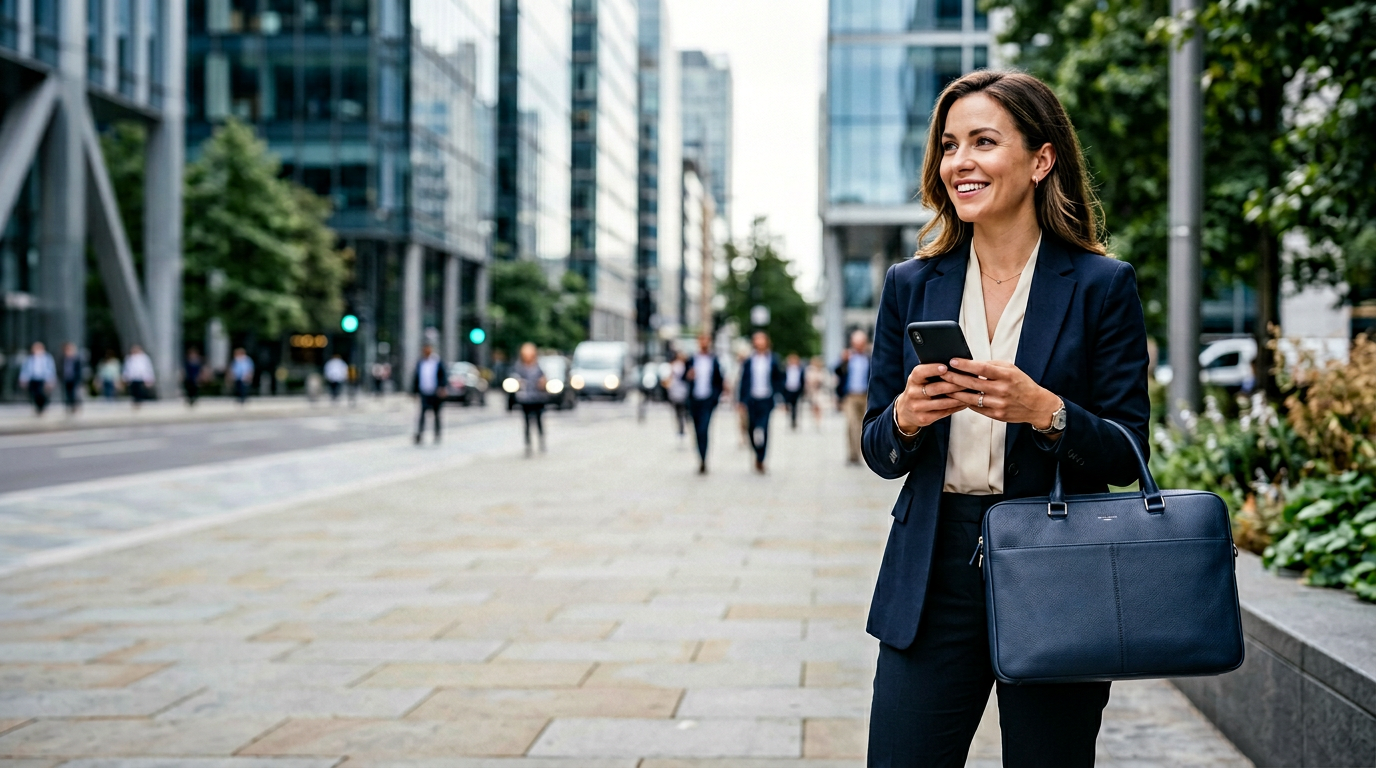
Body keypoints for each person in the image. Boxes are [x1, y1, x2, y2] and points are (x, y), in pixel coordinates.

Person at [861, 71, 1151, 766]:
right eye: (950, 145)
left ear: (1040, 159)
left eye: (983, 142)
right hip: (933, 568)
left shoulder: (1101, 286)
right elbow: (876, 446)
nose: (959, 162)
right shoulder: (911, 283)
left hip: (1056, 563)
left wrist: (1046, 413)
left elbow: (1127, 451)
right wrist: (905, 416)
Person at [737, 330, 785, 474]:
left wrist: (780, 397)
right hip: (752, 399)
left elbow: (779, 379)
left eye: (762, 340)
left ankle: (761, 457)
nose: (759, 343)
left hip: (766, 399)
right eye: (756, 340)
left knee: (763, 428)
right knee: (751, 428)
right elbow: (743, 381)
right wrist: (741, 401)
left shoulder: (773, 359)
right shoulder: (749, 360)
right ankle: (756, 453)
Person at [684, 335, 724, 474]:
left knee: (704, 429)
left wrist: (715, 397)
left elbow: (720, 380)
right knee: (696, 430)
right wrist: (688, 375)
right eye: (701, 340)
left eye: (706, 340)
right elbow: (683, 377)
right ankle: (700, 457)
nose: (704, 343)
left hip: (708, 400)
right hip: (694, 400)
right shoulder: (691, 360)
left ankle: (704, 459)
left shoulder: (714, 360)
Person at [840, 330, 871, 464]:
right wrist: (843, 361)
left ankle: (861, 452)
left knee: (864, 425)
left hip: (865, 396)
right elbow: (838, 372)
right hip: (850, 396)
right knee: (852, 424)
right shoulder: (848, 358)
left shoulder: (869, 358)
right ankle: (853, 454)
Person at [511, 342, 547, 456]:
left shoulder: (538, 367)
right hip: (525, 398)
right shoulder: (519, 367)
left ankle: (541, 442)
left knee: (538, 420)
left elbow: (544, 380)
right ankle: (528, 444)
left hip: (537, 398)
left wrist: (542, 383)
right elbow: (515, 379)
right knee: (526, 422)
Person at [412, 343, 447, 445]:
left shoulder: (437, 362)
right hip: (424, 392)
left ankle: (437, 433)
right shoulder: (420, 363)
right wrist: (414, 391)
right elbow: (416, 377)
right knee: (422, 414)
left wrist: (442, 387)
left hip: (435, 392)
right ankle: (420, 434)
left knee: (436, 414)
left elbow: (443, 375)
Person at [17, 341, 55, 415]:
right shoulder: (29, 359)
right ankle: (38, 407)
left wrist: (50, 379)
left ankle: (42, 407)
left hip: (43, 378)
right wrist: (23, 379)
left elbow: (51, 369)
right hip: (33, 378)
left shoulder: (47, 358)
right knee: (34, 394)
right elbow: (25, 369)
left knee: (41, 393)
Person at [666, 351, 690, 441]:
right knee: (681, 411)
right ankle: (682, 428)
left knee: (680, 412)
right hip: (678, 391)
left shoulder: (681, 365)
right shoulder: (678, 365)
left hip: (680, 391)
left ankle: (682, 428)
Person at [781, 353, 805, 430]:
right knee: (788, 406)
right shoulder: (786, 369)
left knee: (795, 406)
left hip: (796, 389)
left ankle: (793, 420)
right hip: (788, 389)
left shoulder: (800, 369)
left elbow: (802, 380)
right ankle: (790, 419)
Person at [805, 355, 827, 430]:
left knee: (819, 406)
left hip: (820, 391)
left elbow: (824, 380)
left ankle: (819, 421)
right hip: (812, 391)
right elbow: (808, 380)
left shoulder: (822, 370)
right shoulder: (810, 369)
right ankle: (815, 420)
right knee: (813, 406)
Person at [59, 343, 82, 413]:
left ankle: (74, 406)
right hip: (66, 379)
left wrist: (79, 379)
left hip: (74, 379)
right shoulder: (62, 359)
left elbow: (79, 370)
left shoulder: (76, 359)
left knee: (74, 393)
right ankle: (68, 406)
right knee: (67, 393)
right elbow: (60, 369)